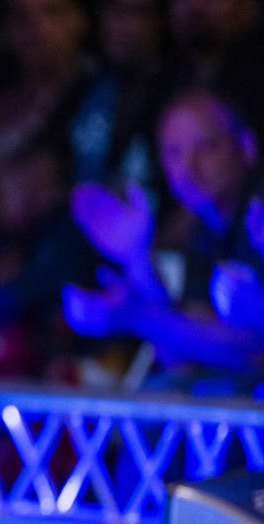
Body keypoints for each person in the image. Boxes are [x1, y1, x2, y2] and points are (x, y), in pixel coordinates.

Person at [64, 89, 264, 388]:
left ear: (247, 147)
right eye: (173, 153)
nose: (188, 168)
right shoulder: (199, 228)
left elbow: (251, 351)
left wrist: (134, 316)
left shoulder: (257, 214)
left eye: (207, 147)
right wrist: (137, 258)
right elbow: (180, 347)